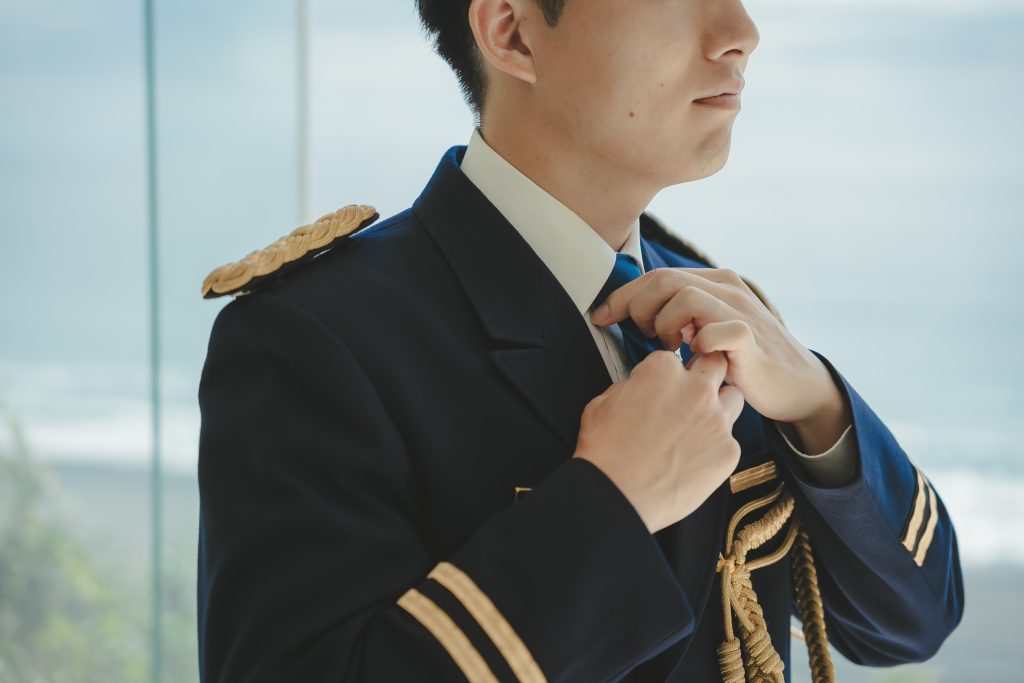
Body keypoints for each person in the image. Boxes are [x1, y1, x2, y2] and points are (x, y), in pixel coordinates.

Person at [195, 1, 964, 681]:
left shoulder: (717, 304)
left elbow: (911, 622)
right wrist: (608, 503)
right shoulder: (309, 339)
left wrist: (820, 406)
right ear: (512, 33)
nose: (741, 32)